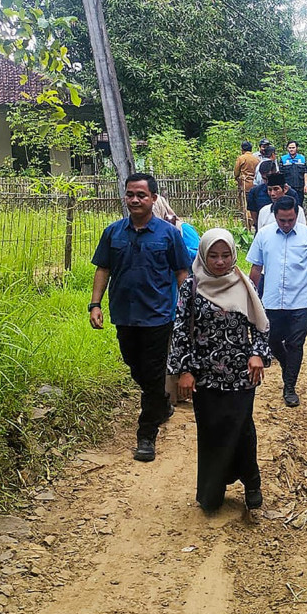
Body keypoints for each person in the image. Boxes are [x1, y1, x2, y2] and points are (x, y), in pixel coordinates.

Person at [167, 229, 272, 514]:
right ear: (203, 255)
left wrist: (257, 354)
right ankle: (212, 490)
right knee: (211, 430)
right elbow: (180, 331)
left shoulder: (244, 283)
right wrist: (184, 371)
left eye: (226, 255)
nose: (220, 262)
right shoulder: (191, 286)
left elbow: (261, 325)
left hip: (241, 374)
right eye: (213, 255)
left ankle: (252, 484)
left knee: (242, 429)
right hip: (204, 376)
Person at [90, 173, 191, 462]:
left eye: (141, 195)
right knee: (135, 366)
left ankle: (146, 435)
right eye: (130, 194)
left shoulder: (169, 234)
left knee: (153, 372)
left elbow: (181, 273)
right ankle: (161, 402)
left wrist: (187, 307)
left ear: (153, 199)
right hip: (124, 314)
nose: (135, 200)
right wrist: (94, 304)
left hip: (159, 316)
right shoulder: (113, 233)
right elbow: (103, 269)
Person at [246, 196, 307, 406]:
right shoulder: (264, 235)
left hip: (301, 301)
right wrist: (249, 296)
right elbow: (256, 268)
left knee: (295, 344)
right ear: (275, 216)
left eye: (290, 220)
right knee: (273, 341)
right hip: (272, 301)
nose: (286, 224)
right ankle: (289, 366)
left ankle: (290, 386)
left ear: (296, 215)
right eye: (282, 220)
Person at [234, 141, 259, 224]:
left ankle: (247, 221)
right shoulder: (256, 159)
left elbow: (236, 172)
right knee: (254, 204)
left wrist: (237, 178)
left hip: (245, 184)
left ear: (242, 149)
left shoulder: (241, 158)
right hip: (255, 184)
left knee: (245, 204)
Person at [280, 141, 307, 207]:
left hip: (300, 188)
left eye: (293, 147)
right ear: (287, 148)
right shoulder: (283, 159)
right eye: (290, 148)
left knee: (299, 205)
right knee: (288, 206)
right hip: (288, 188)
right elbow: (281, 174)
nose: (291, 149)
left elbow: (305, 172)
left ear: (296, 148)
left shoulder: (302, 158)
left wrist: (306, 184)